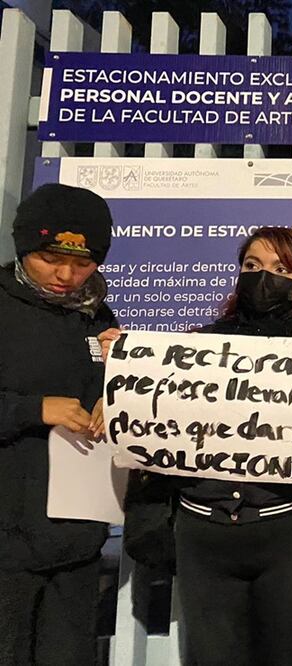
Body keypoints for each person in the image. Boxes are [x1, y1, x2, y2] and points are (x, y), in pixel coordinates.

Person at [99, 227, 292, 666]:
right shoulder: (196, 347)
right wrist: (124, 366)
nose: (264, 277)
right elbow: (156, 427)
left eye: (281, 269)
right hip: (204, 532)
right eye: (252, 266)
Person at [0, 184, 119, 665]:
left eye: (84, 263)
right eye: (50, 259)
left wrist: (118, 396)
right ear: (23, 246)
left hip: (75, 542)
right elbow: (36, 404)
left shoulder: (98, 316)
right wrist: (32, 410)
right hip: (6, 542)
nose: (66, 275)